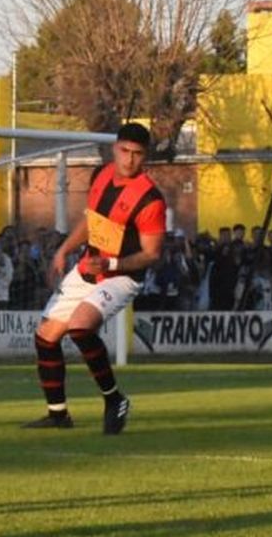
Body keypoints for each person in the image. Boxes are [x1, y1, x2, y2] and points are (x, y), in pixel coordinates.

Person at [23, 122, 166, 435]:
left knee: (80, 327)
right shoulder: (101, 176)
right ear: (115, 148)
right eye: (125, 151)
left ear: (146, 156)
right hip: (89, 267)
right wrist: (63, 250)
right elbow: (91, 222)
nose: (129, 159)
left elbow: (152, 253)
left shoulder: (150, 198)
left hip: (122, 276)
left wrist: (111, 262)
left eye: (137, 154)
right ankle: (58, 414)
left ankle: (114, 399)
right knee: (46, 337)